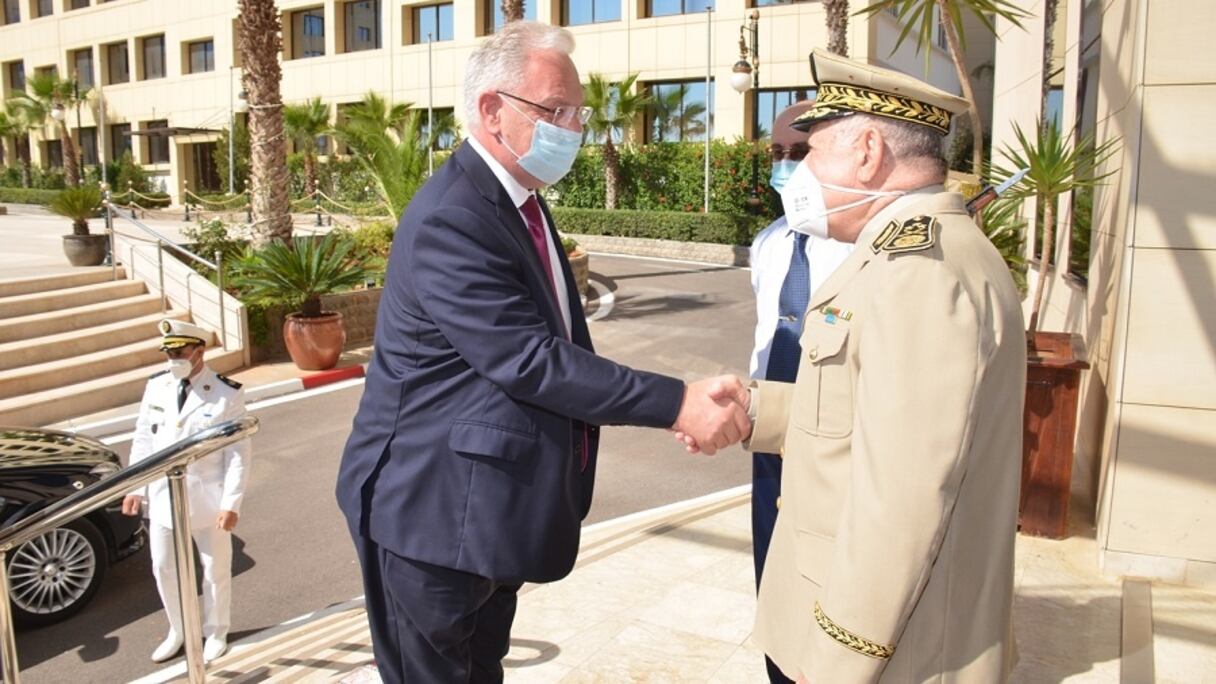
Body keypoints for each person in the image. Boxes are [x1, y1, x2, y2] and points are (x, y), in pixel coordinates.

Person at [333, 21, 747, 684]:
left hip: (484, 512)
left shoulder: (517, 200)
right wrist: (679, 403)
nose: (573, 128)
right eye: (555, 110)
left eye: (577, 112)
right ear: (492, 110)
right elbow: (528, 360)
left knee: (479, 669)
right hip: (430, 518)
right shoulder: (453, 215)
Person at [684, 49, 1026, 682]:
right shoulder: (902, 257)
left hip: (887, 646)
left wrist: (842, 656)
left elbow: (905, 493)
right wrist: (756, 409)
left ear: (867, 152)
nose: (802, 173)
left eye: (813, 154)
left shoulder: (918, 274)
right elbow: (869, 417)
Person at [747, 100, 854, 684]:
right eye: (778, 154)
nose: (785, 166)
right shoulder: (767, 244)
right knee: (772, 574)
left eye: (800, 153)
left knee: (828, 581)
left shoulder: (867, 253)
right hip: (771, 440)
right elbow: (765, 342)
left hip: (832, 446)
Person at [121, 319, 250, 664]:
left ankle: (216, 630)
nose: (173, 358)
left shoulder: (227, 392)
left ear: (199, 351)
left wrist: (231, 502)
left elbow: (237, 452)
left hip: (208, 500)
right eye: (168, 352)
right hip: (163, 499)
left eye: (179, 352)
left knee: (214, 570)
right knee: (163, 567)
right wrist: (135, 487)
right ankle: (179, 629)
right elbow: (143, 439)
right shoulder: (157, 387)